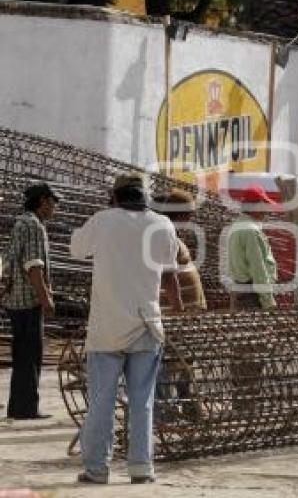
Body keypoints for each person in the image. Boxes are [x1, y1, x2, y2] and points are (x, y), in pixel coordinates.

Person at [70, 173, 183, 485]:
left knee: (102, 403)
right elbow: (171, 276)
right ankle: (141, 468)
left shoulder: (102, 220)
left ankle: (96, 469)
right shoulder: (163, 224)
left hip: (107, 327)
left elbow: (76, 249)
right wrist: (179, 308)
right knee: (142, 402)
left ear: (115, 196)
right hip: (147, 325)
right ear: (144, 197)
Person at [2, 182, 60, 420]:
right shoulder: (34, 226)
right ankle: (27, 409)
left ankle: (18, 407)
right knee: (30, 356)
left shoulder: (21, 222)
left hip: (15, 299)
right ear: (43, 201)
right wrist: (45, 299)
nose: (54, 207)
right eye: (53, 202)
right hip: (28, 300)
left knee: (21, 355)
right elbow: (34, 266)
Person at [152, 188, 207, 314]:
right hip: (177, 312)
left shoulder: (172, 235)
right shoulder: (164, 236)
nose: (190, 220)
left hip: (187, 310)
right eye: (189, 215)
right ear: (181, 215)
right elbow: (167, 276)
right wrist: (178, 308)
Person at [227, 185, 278, 311]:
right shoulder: (251, 231)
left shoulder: (237, 225)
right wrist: (268, 301)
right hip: (251, 296)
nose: (267, 209)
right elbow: (258, 269)